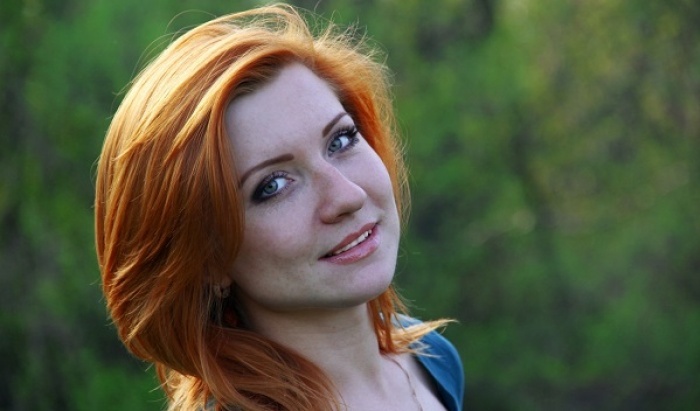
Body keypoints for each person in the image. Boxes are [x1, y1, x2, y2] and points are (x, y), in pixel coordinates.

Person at [94, 4, 464, 411]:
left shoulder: (432, 360)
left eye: (341, 140)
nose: (347, 196)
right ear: (207, 259)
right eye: (273, 186)